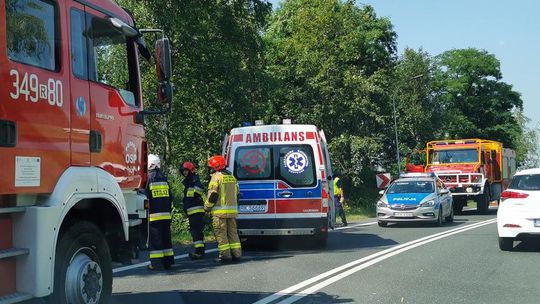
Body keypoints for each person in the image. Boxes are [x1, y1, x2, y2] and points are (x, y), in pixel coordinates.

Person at [204, 155, 242, 263]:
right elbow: (237, 195)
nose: (210, 169)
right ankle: (237, 255)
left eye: (211, 167)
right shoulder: (232, 177)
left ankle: (225, 256)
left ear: (215, 167)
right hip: (232, 213)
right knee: (233, 234)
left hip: (219, 213)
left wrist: (206, 208)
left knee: (221, 234)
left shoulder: (216, 177)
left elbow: (213, 195)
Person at [144, 154, 174, 270]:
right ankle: (168, 262)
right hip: (166, 215)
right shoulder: (164, 178)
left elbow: (144, 196)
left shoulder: (148, 179)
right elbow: (170, 197)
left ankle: (156, 264)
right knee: (166, 238)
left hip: (153, 216)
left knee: (155, 240)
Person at [180, 161, 207, 260]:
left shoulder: (194, 179)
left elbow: (200, 189)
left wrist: (192, 193)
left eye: (186, 170)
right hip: (192, 210)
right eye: (183, 171)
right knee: (195, 231)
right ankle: (200, 250)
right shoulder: (188, 180)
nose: (184, 173)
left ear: (190, 170)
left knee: (196, 232)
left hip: (196, 210)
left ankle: (199, 252)